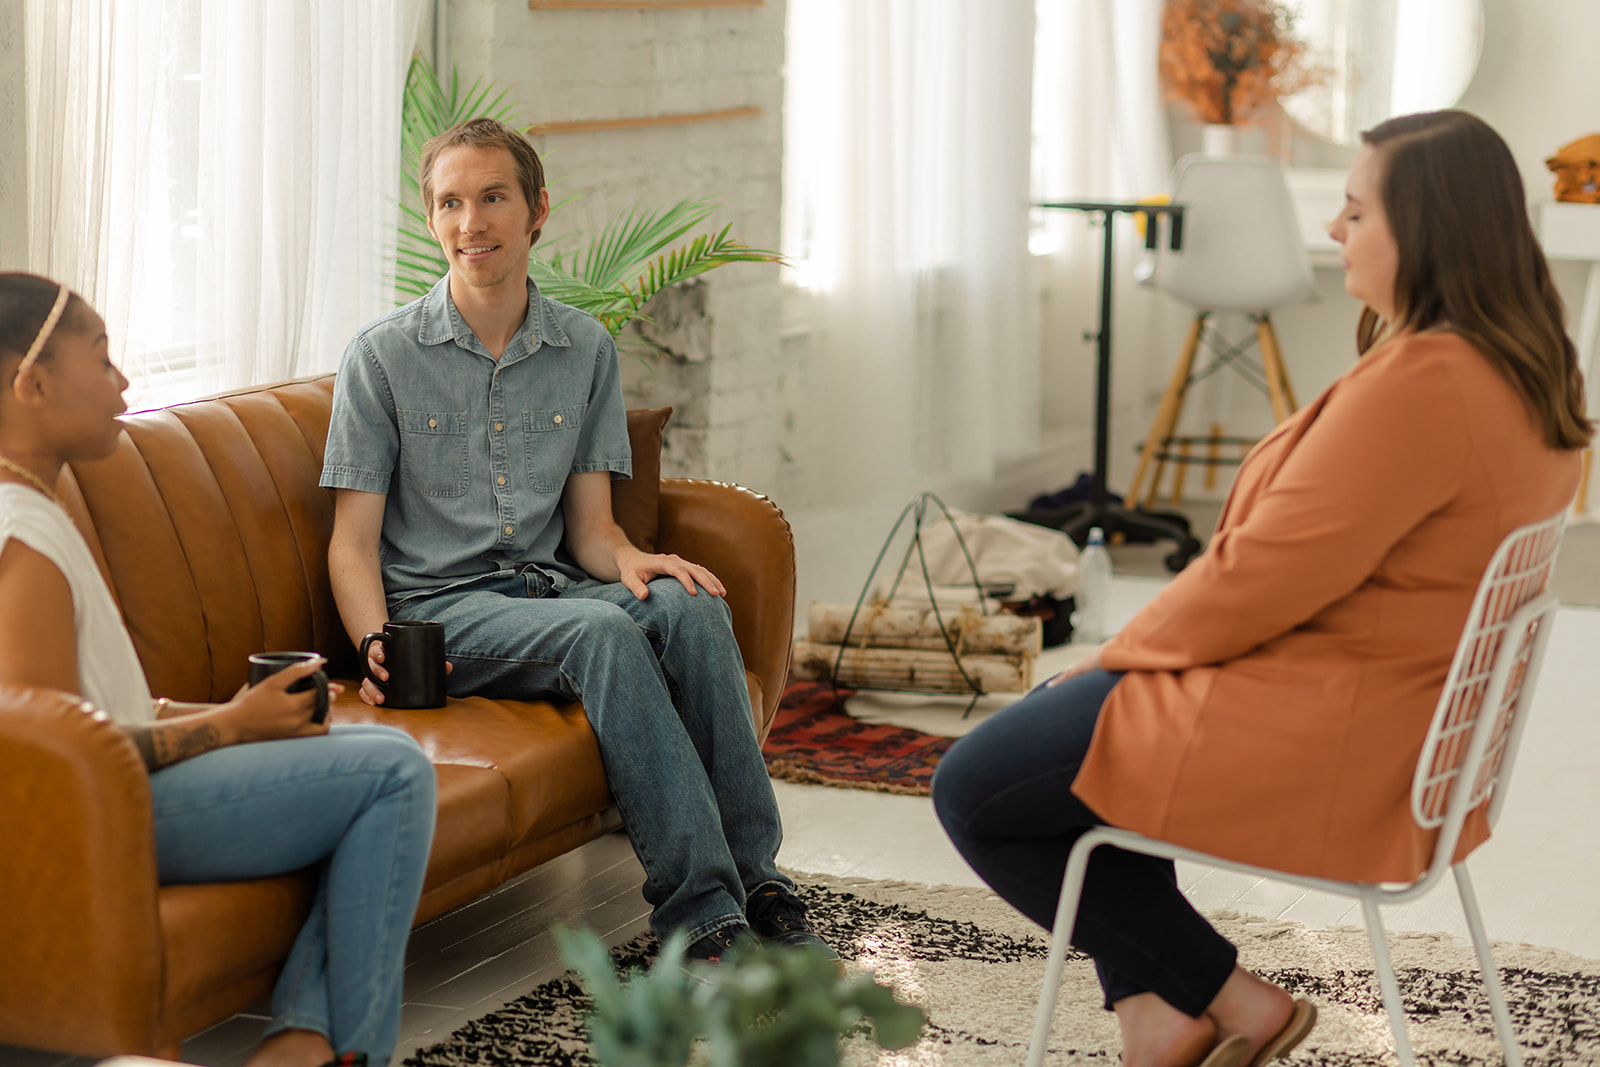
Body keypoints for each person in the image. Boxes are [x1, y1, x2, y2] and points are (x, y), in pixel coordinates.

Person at [932, 109, 1591, 1067]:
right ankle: (1154, 1018)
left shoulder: (1426, 385)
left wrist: (1109, 660)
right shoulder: (1524, 369)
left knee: (978, 784)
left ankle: (1240, 1000)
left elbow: (1256, 581)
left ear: (1429, 232)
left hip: (1331, 734)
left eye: (1357, 214)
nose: (1335, 231)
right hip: (1400, 728)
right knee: (1064, 743)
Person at [320, 117, 831, 964]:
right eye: (451, 202)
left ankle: (759, 875)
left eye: (492, 198)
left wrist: (637, 563)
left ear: (536, 212)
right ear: (431, 218)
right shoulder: (381, 359)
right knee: (601, 633)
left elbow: (592, 531)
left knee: (692, 607)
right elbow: (351, 542)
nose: (471, 222)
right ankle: (702, 914)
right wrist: (377, 640)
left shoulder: (584, 347)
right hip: (444, 611)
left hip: (550, 589)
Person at [0, 273, 438, 1067]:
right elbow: (52, 777)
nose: (123, 380)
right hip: (105, 820)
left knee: (364, 765)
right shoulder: (21, 541)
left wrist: (227, 712)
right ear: (31, 385)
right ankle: (328, 1049)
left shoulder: (34, 512)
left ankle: (308, 1041)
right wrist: (230, 727)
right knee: (393, 772)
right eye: (100, 359)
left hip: (124, 792)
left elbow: (91, 710)